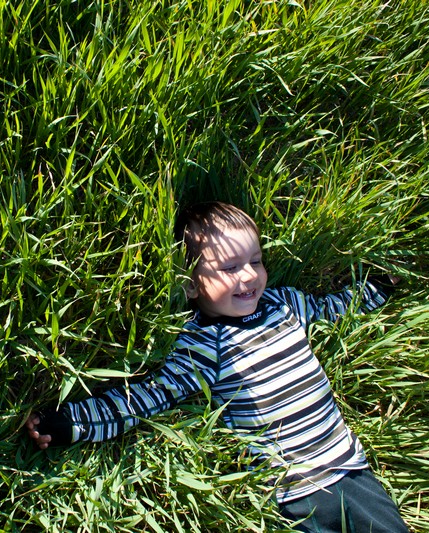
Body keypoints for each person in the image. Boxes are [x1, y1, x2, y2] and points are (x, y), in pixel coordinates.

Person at [25, 201, 408, 532]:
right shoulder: (203, 345)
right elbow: (147, 399)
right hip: (296, 491)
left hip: (351, 465)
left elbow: (332, 308)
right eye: (230, 268)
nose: (249, 275)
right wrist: (70, 424)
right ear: (191, 285)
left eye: (255, 261)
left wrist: (376, 289)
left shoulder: (284, 304)